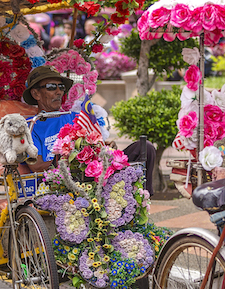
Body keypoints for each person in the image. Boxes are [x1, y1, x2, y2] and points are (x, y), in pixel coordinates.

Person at [22, 65, 156, 194]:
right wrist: (66, 157)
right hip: (65, 181)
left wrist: (105, 146)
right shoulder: (31, 126)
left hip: (97, 173)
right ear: (36, 94)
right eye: (52, 87)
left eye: (61, 87)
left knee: (145, 148)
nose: (59, 92)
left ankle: (143, 200)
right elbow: (36, 167)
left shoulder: (77, 117)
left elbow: (95, 143)